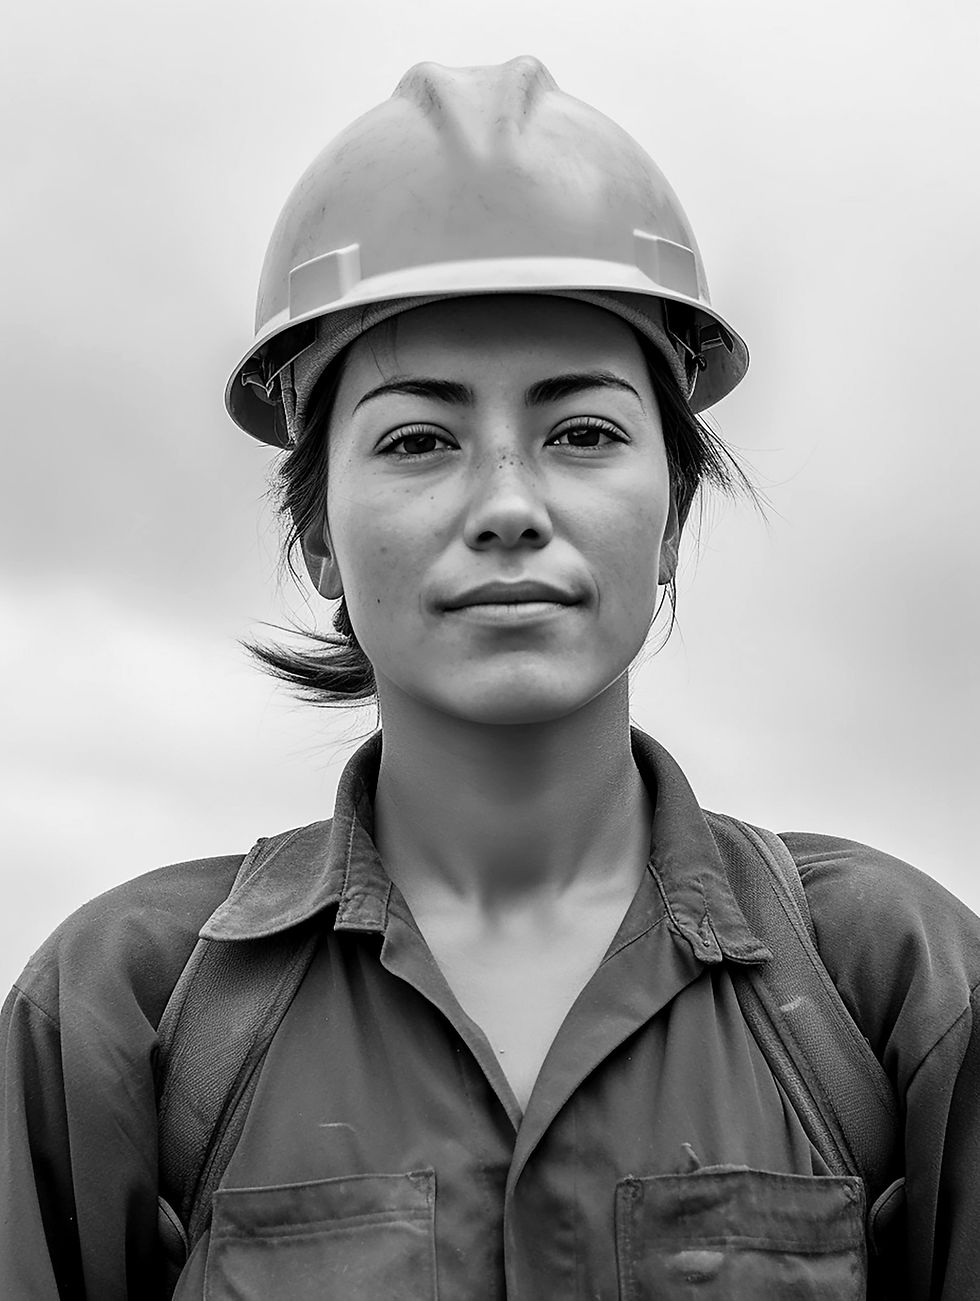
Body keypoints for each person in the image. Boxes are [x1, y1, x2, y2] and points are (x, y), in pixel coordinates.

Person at [2, 56, 978, 1301]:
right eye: (419, 438)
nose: (509, 505)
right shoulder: (118, 1014)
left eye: (582, 433)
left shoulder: (898, 985)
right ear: (316, 537)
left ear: (672, 515)